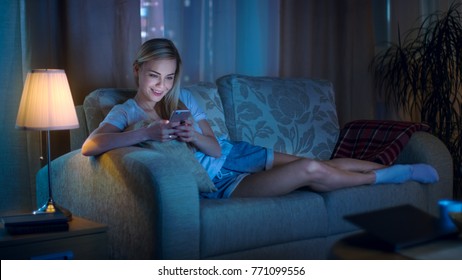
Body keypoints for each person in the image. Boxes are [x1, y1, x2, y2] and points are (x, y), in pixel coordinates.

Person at [81, 38, 439, 198]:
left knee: (315, 161)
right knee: (311, 173)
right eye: (154, 76)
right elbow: (90, 145)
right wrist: (151, 134)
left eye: (169, 76)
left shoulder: (184, 98)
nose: (161, 85)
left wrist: (192, 134)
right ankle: (384, 177)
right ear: (137, 72)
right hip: (221, 184)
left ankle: (390, 171)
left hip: (234, 153)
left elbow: (214, 148)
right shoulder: (125, 111)